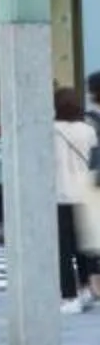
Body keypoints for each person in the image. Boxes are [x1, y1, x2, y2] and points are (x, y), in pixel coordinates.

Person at [55, 88, 100, 313]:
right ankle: (85, 289)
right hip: (85, 193)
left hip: (60, 195)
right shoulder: (88, 130)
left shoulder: (50, 130)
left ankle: (69, 296)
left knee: (63, 250)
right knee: (84, 245)